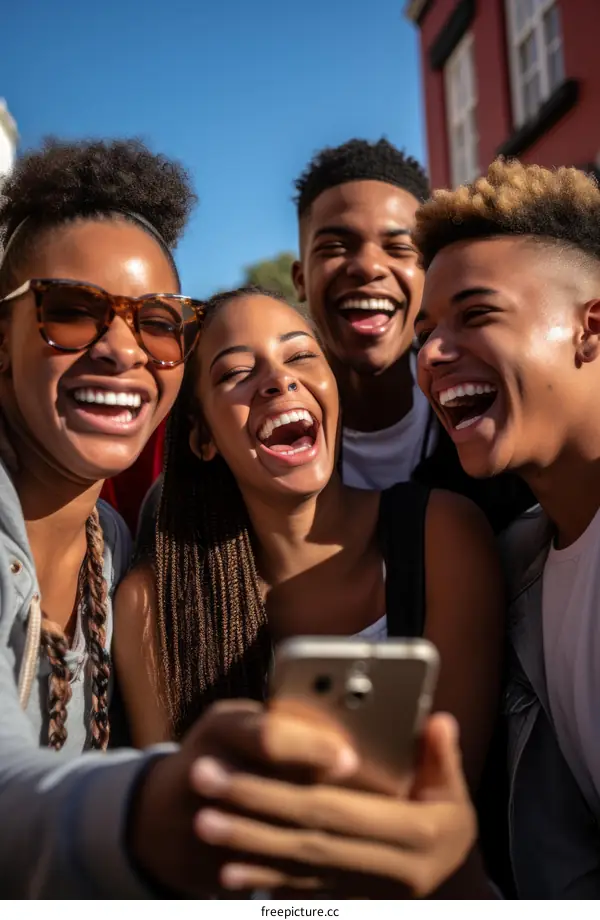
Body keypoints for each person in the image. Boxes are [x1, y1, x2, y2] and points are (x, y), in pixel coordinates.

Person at [116, 286, 503, 897]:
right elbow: (183, 845)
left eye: (300, 356)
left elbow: (446, 801)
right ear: (202, 437)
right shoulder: (150, 605)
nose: (278, 381)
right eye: (236, 374)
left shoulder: (444, 536)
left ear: (333, 391)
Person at [413, 158, 600, 898]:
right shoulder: (517, 567)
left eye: (477, 314)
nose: (430, 355)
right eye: (426, 331)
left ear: (591, 329)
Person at [290, 137, 533, 534]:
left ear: (428, 274)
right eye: (335, 246)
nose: (368, 267)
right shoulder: (264, 439)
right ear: (301, 279)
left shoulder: (498, 422)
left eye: (399, 247)